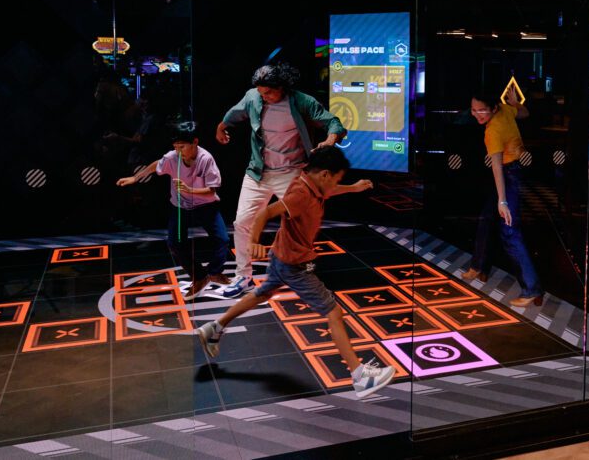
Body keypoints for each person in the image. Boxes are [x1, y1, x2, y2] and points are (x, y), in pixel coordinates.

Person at [194, 146, 395, 398]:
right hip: (294, 265)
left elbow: (329, 190)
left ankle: (216, 326)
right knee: (334, 312)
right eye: (336, 178)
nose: (336, 184)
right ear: (323, 175)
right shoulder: (301, 193)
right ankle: (361, 377)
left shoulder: (312, 183)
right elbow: (266, 212)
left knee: (261, 293)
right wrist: (254, 240)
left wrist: (352, 187)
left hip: (281, 257)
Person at [215, 62, 346, 298]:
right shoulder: (254, 97)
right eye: (262, 92)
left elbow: (333, 122)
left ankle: (302, 269)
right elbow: (235, 112)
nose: (264, 96)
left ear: (282, 87)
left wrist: (330, 140)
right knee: (242, 222)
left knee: (301, 223)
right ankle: (243, 277)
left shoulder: (300, 101)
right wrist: (221, 126)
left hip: (292, 173)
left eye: (269, 92)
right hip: (258, 173)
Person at [117, 121, 229, 295]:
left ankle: (214, 272)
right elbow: (157, 164)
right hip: (181, 206)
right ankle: (199, 276)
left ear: (195, 142)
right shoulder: (172, 157)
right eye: (176, 146)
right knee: (175, 244)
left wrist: (189, 189)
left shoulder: (205, 159)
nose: (179, 150)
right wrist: (136, 178)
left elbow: (211, 190)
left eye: (182, 146)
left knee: (222, 239)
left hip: (206, 205)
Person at [463, 86, 545, 307]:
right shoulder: (506, 111)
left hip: (509, 175)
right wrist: (515, 103)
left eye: (482, 110)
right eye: (473, 110)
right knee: (485, 218)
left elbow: (497, 168)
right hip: (515, 171)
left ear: (493, 108)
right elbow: (525, 113)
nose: (477, 114)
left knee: (509, 231)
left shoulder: (493, 131)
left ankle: (531, 289)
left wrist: (503, 201)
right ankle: (478, 265)